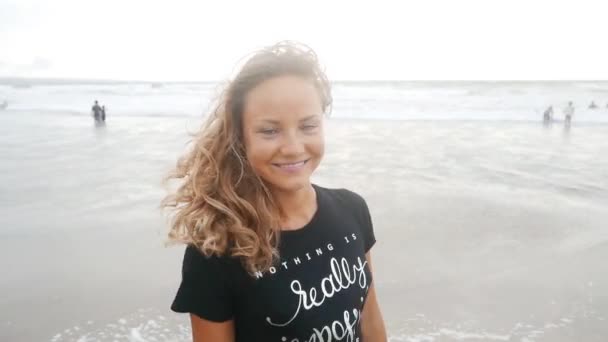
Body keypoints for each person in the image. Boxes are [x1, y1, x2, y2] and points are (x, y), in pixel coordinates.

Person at [162, 41, 387, 342]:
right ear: (239, 138)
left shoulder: (352, 210)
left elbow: (369, 317)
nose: (293, 148)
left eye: (308, 126)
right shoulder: (217, 251)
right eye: (269, 130)